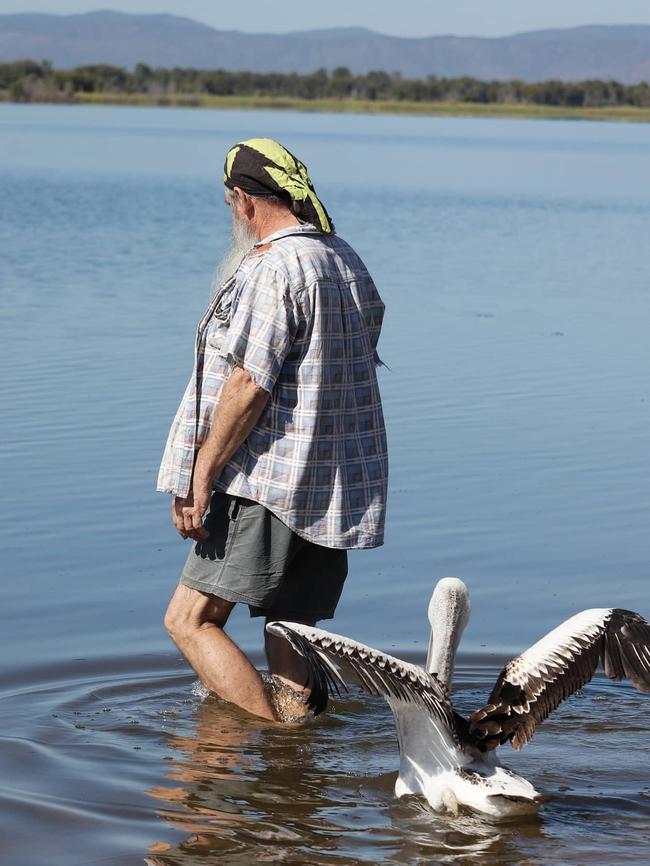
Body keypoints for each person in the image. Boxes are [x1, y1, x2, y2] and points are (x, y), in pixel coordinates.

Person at [158, 138, 388, 722]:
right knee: (292, 628)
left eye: (231, 202)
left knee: (189, 621)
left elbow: (248, 386)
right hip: (332, 484)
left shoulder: (273, 267)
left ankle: (272, 741)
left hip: (267, 482)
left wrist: (200, 474)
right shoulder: (344, 259)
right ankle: (294, 773)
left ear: (243, 201)